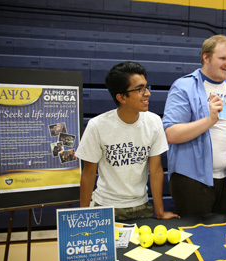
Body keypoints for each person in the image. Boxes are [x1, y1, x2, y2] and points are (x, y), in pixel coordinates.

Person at [76, 61, 179, 221]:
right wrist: (84, 216)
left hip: (142, 206)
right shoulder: (97, 125)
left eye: (146, 87)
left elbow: (156, 170)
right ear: (121, 97)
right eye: (140, 89)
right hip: (106, 207)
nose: (147, 93)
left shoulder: (154, 122)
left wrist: (159, 212)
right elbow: (89, 174)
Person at [162, 35, 226, 215]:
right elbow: (170, 134)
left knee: (218, 235)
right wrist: (209, 120)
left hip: (225, 179)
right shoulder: (184, 86)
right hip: (191, 179)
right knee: (195, 236)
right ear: (206, 57)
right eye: (223, 58)